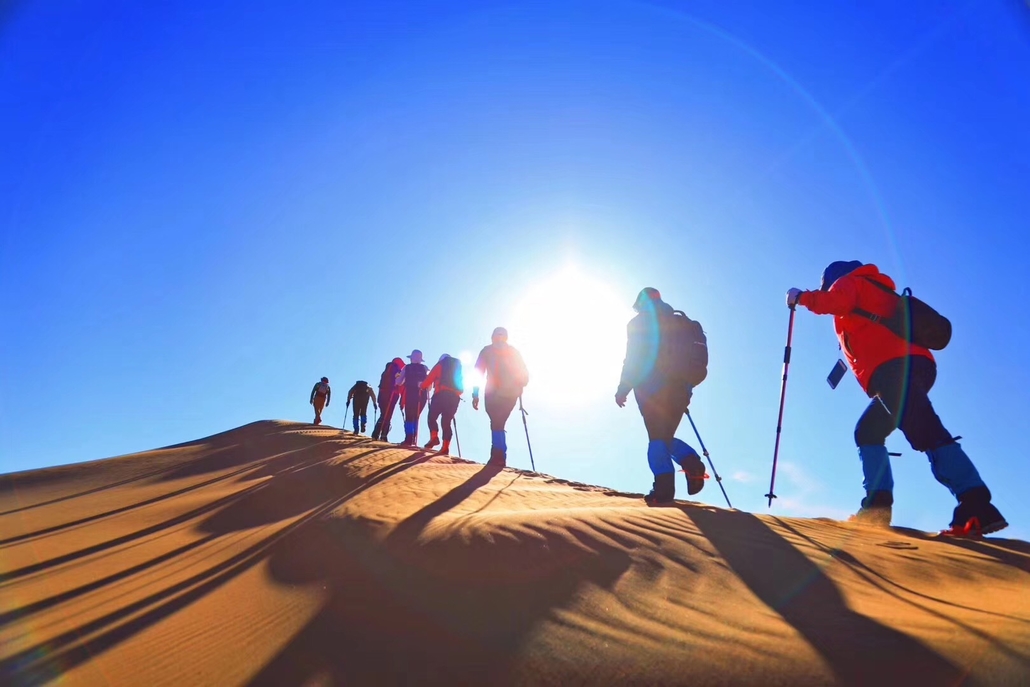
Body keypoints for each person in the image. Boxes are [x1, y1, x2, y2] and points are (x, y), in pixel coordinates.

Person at [786, 261, 1007, 536]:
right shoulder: (871, 289)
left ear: (832, 280)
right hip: (909, 368)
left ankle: (976, 506)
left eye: (825, 286)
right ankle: (876, 508)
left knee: (925, 430)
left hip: (896, 368)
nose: (825, 290)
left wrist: (802, 297)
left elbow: (835, 300)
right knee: (868, 431)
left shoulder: (850, 283)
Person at [615, 288, 707, 505]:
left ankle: (664, 490)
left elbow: (634, 359)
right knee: (664, 436)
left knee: (657, 439)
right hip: (682, 388)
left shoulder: (639, 323)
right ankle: (692, 464)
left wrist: (623, 389)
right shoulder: (680, 320)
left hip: (651, 389)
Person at [471, 327, 529, 467]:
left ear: (492, 337)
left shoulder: (487, 350)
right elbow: (524, 374)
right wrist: (520, 386)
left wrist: (475, 394)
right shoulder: (513, 351)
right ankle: (500, 455)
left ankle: (498, 455)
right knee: (499, 422)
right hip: (511, 394)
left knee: (496, 422)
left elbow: (478, 372)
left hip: (492, 392)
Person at [421, 353, 464, 454]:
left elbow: (430, 378)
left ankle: (434, 438)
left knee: (432, 417)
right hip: (454, 398)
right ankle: (445, 447)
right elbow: (461, 387)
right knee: (446, 422)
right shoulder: (457, 367)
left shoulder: (440, 364)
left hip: (440, 395)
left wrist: (422, 386)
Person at [395, 349, 430, 446]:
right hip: (422, 395)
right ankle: (413, 439)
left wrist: (397, 377)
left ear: (411, 358)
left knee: (409, 416)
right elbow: (429, 384)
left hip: (410, 394)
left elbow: (399, 382)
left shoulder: (406, 368)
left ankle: (408, 440)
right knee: (416, 416)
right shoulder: (425, 368)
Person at [371, 358, 405, 441]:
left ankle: (375, 434)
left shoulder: (386, 371)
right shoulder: (397, 370)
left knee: (383, 414)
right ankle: (383, 435)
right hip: (392, 395)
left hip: (382, 394)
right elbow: (399, 383)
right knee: (388, 415)